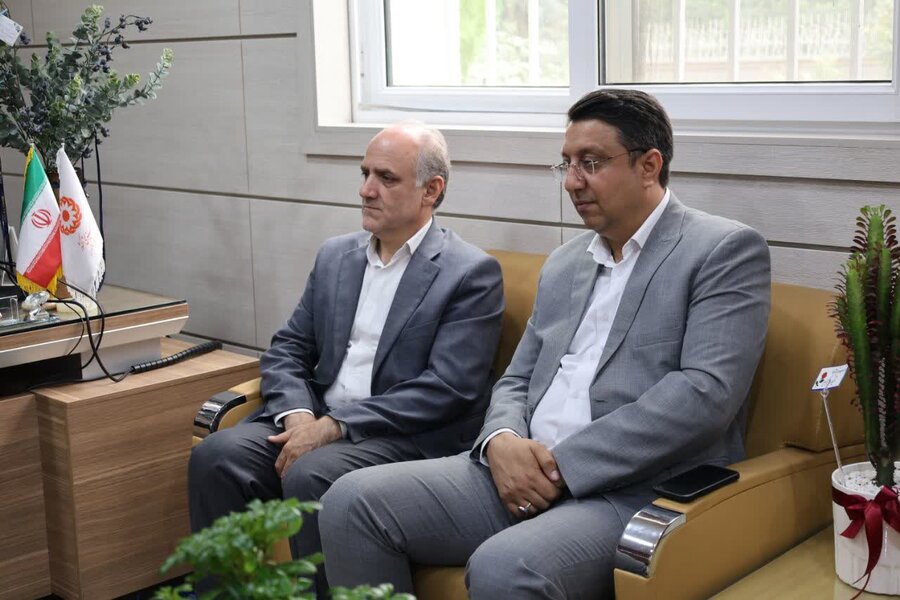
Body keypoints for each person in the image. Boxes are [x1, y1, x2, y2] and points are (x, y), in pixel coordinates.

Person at [318, 89, 771, 598]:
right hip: (517, 470)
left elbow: (704, 394)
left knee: (504, 566)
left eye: (591, 163)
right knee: (350, 502)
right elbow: (517, 377)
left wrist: (561, 466)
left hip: (631, 489)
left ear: (649, 166)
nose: (573, 181)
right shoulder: (565, 261)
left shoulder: (722, 251)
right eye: (567, 164)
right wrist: (502, 441)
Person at [188, 122, 504, 594]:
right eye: (365, 174)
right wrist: (298, 415)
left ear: (431, 190)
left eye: (386, 178)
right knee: (217, 456)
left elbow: (448, 387)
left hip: (400, 436)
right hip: (315, 417)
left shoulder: (469, 273)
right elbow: (288, 347)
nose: (366, 190)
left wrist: (334, 427)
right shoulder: (336, 256)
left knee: (311, 473)